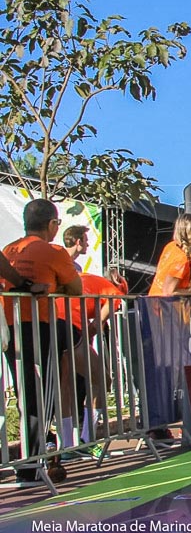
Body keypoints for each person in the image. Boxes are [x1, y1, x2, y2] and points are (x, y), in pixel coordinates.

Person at [1, 199, 83, 484]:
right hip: (39, 326)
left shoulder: (9, 250)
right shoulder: (53, 251)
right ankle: (31, 463)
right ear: (51, 224)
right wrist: (52, 287)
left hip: (11, 328)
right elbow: (76, 289)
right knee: (40, 393)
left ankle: (30, 460)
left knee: (26, 392)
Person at [55, 268, 128, 461]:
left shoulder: (86, 279)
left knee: (65, 386)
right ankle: (87, 439)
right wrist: (86, 337)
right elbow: (96, 325)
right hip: (70, 328)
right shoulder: (112, 291)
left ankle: (67, 446)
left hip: (54, 323)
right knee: (101, 379)